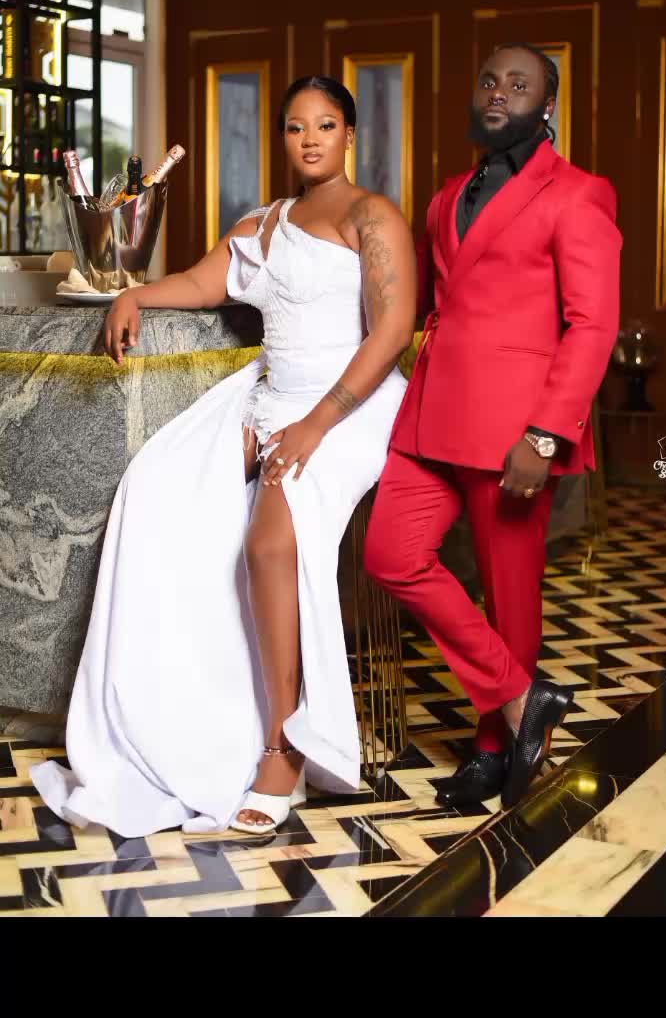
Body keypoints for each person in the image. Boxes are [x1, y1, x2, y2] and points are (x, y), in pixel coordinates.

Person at [31, 76, 416, 839]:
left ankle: (283, 748)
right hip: (269, 393)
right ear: (283, 139)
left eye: (326, 125)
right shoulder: (263, 224)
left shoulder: (372, 216)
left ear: (349, 135)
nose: (311, 140)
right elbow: (204, 283)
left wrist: (315, 425)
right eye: (296, 127)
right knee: (156, 485)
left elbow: (393, 330)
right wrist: (133, 296)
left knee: (268, 541)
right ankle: (187, 707)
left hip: (355, 401)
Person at [364, 44, 622, 811]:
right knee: (390, 554)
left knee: (510, 597)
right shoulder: (448, 196)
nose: (498, 92)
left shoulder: (578, 194)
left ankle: (493, 747)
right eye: (488, 80)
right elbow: (424, 302)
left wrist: (545, 435)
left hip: (514, 431)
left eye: (518, 83)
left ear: (547, 104)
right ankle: (521, 698)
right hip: (429, 416)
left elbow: (593, 325)